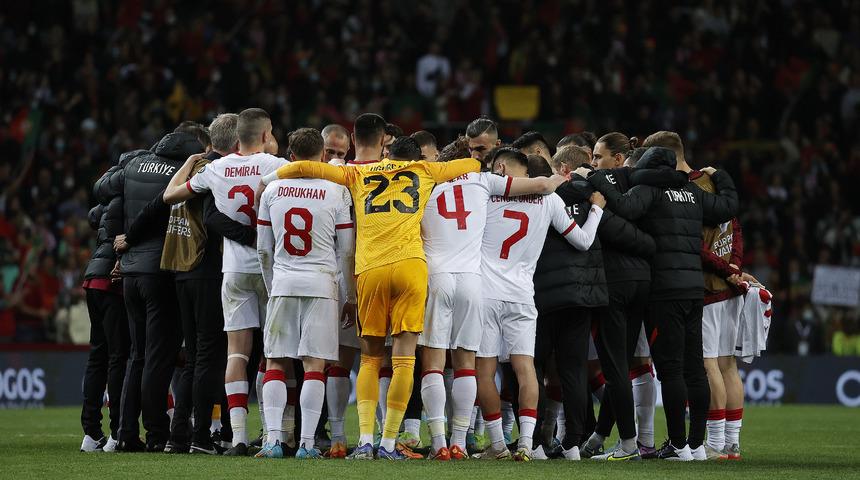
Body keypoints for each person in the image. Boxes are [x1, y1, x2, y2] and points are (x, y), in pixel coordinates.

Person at [258, 130, 482, 461]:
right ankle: (389, 443)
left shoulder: (360, 171)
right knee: (405, 359)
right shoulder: (425, 171)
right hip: (410, 268)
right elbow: (470, 166)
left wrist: (271, 176)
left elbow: (311, 169)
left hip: (371, 270)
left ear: (387, 156)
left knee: (370, 359)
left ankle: (364, 441)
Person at [587, 145, 739, 461]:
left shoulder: (650, 190)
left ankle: (678, 445)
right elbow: (727, 207)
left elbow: (625, 208)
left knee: (670, 370)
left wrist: (597, 180)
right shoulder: (693, 194)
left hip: (663, 292)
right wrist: (719, 175)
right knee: (694, 368)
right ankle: (696, 446)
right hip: (694, 291)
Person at [419, 147, 568, 460]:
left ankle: (441, 444)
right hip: (479, 285)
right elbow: (542, 187)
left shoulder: (426, 183)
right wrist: (564, 175)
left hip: (442, 277)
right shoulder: (482, 183)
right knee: (472, 368)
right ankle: (466, 442)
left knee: (437, 365)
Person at [162, 108, 286, 456]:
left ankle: (239, 439)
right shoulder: (274, 166)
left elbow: (170, 196)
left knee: (236, 353)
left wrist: (191, 162)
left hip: (232, 271)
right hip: (269, 268)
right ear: (264, 135)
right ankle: (275, 435)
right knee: (272, 354)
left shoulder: (215, 169)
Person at [473, 148, 605, 461]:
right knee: (526, 369)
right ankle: (526, 445)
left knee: (485, 372)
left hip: (486, 292)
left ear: (501, 169)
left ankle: (497, 446)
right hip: (522, 294)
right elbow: (583, 241)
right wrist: (597, 210)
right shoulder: (549, 200)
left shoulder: (486, 194)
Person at [643, 131, 750, 460]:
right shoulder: (709, 183)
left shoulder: (676, 187)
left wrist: (723, 269)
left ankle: (710, 442)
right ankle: (727, 443)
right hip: (724, 287)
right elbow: (734, 224)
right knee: (726, 366)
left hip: (701, 285)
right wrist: (734, 267)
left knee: (703, 366)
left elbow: (694, 244)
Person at [101, 124, 206, 452]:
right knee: (159, 358)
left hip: (130, 272)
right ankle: (158, 433)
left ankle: (126, 433)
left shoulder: (134, 165)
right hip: (161, 272)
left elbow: (104, 192)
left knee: (138, 355)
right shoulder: (180, 173)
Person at [255, 128, 357, 460]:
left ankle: (271, 440)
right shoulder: (337, 191)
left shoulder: (272, 189)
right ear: (322, 156)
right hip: (322, 285)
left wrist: (273, 287)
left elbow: (263, 251)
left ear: (291, 155)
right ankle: (307, 444)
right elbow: (346, 252)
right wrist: (349, 295)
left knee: (275, 362)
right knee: (315, 366)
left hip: (284, 282)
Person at [79, 163, 130, 453]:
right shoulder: (128, 201)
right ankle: (116, 431)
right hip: (112, 281)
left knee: (97, 356)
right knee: (117, 357)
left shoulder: (107, 203)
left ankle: (90, 432)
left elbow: (93, 219)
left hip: (92, 277)